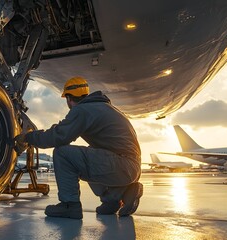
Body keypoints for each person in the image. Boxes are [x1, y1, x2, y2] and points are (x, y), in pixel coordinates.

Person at [14, 76, 143, 219]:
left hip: (123, 165)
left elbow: (59, 136)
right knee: (85, 156)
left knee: (63, 154)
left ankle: (70, 205)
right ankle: (116, 198)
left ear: (68, 99)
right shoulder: (103, 107)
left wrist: (28, 137)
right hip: (130, 166)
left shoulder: (83, 110)